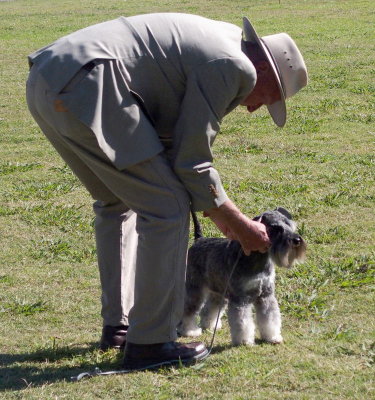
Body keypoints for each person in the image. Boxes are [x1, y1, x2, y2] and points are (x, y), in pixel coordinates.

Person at [26, 13, 307, 370]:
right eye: (269, 98)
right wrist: (235, 221)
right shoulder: (236, 67)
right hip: (91, 83)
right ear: (265, 70)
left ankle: (120, 326)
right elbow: (192, 159)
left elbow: (173, 142)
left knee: (117, 202)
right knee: (168, 207)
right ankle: (152, 342)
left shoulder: (222, 45)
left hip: (49, 81)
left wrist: (219, 210)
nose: (255, 108)